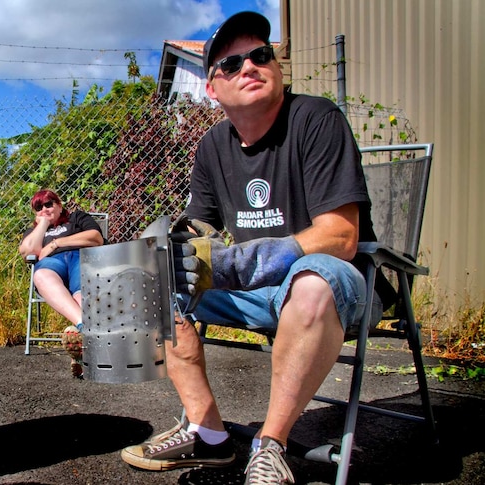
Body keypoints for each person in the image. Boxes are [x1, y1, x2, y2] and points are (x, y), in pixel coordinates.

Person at [119, 11, 383, 484]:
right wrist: (164, 246)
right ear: (213, 90)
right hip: (256, 291)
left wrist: (247, 260)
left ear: (277, 67)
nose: (249, 67)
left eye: (260, 55)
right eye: (231, 64)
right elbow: (199, 225)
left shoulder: (317, 120)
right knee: (151, 276)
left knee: (312, 281)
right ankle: (208, 432)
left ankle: (270, 444)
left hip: (335, 289)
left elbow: (341, 237)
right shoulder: (212, 147)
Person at [19, 189, 104, 378]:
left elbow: (95, 238)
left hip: (81, 257)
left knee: (81, 293)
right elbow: (27, 253)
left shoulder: (77, 218)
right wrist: (42, 225)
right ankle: (85, 329)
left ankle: (83, 347)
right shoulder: (34, 231)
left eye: (49, 204)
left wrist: (56, 243)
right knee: (40, 276)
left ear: (59, 205)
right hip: (52, 264)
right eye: (39, 207)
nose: (45, 209)